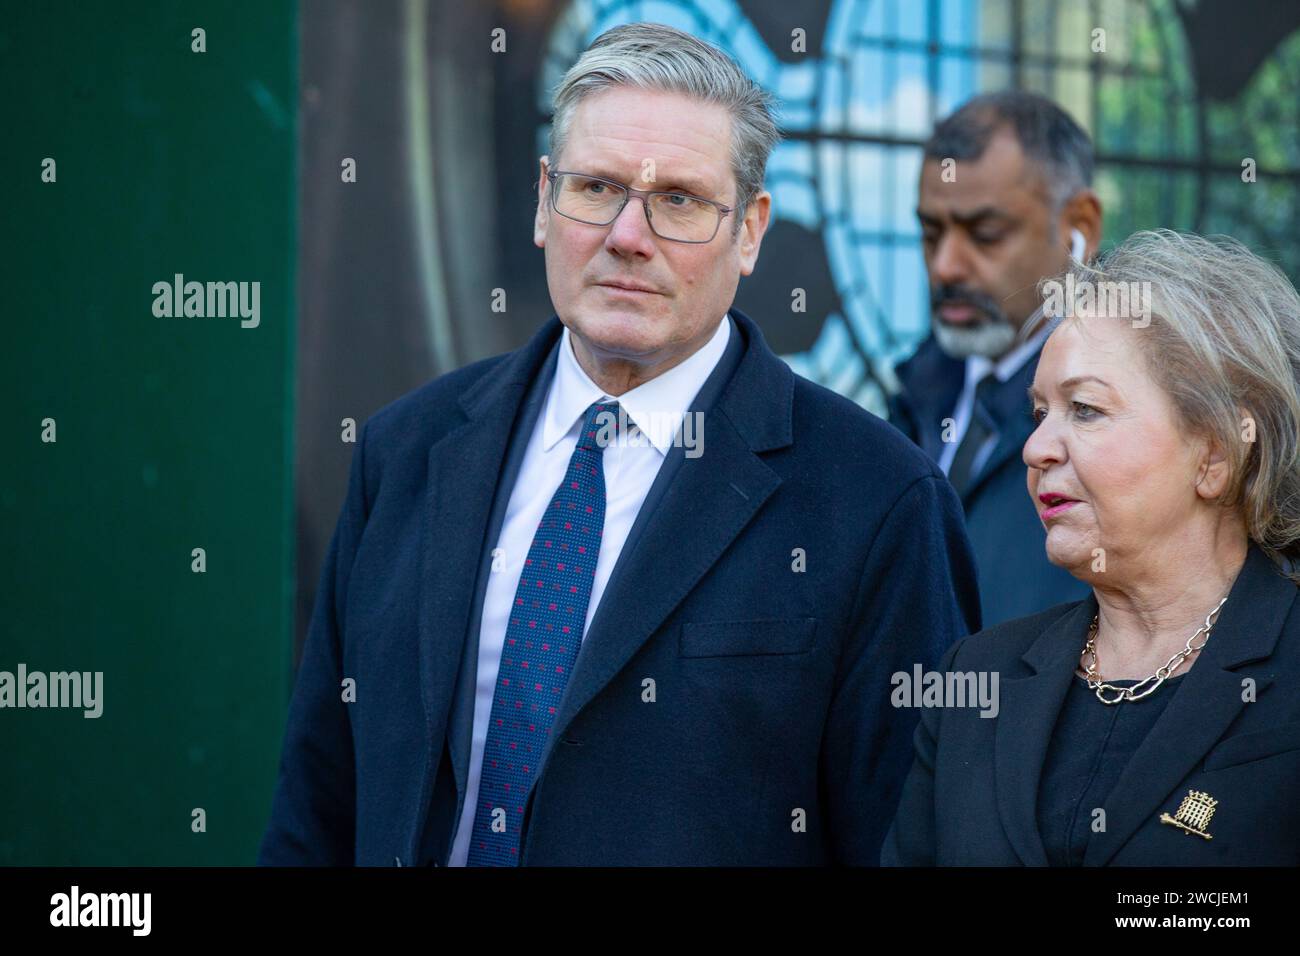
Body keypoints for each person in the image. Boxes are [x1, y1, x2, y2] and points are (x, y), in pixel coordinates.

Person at [259, 22, 980, 867]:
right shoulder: (407, 451)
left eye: (678, 199)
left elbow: (908, 842)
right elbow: (318, 804)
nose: (628, 236)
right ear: (543, 200)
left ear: (750, 232)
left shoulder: (876, 501)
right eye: (596, 187)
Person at [883, 230, 1300, 865]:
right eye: (1038, 413)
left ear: (1215, 453)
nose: (1036, 449)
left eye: (1084, 410)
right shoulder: (976, 675)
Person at [887, 91, 1102, 627]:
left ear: (1079, 227)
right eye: (931, 233)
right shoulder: (913, 394)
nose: (946, 266)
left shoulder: (1129, 411)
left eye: (985, 234)